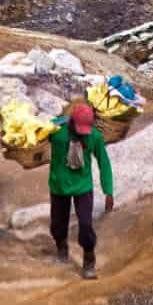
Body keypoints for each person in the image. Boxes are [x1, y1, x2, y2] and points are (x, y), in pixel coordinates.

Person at [48, 102, 114, 280]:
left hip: (83, 186)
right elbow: (33, 140)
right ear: (71, 123)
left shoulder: (94, 136)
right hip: (59, 184)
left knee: (86, 224)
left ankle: (89, 260)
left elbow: (104, 162)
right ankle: (62, 250)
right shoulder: (55, 131)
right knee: (57, 223)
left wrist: (108, 190)